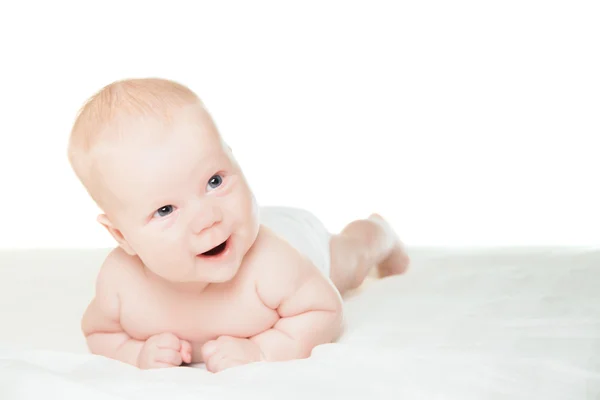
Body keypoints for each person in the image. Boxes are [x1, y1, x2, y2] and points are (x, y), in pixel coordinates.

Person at [68, 77, 409, 372]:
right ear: (120, 236)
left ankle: (378, 232)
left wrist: (263, 351)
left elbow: (325, 310)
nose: (207, 217)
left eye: (215, 181)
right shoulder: (120, 285)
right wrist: (137, 354)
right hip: (256, 235)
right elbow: (99, 334)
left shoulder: (273, 264)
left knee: (350, 262)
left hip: (300, 238)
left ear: (231, 157)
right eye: (166, 210)